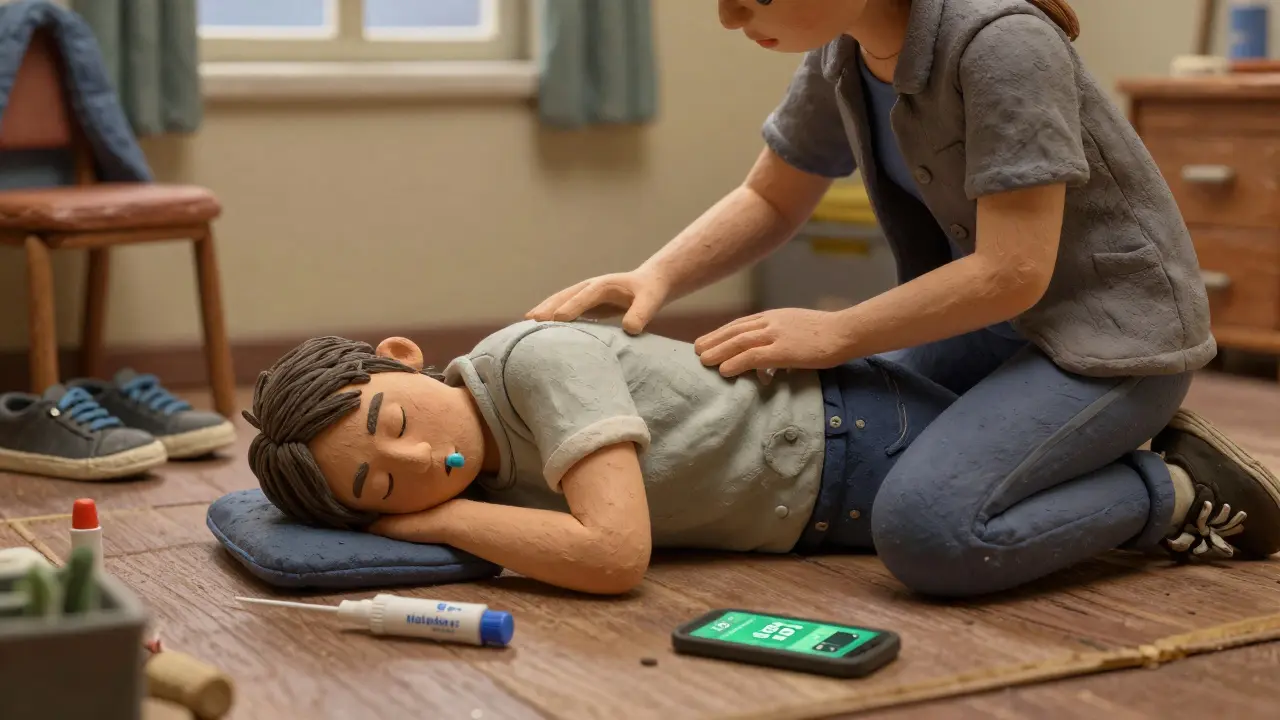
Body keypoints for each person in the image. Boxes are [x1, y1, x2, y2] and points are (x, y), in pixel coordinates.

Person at [525, 0, 1280, 596]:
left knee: (931, 533)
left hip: (1109, 342)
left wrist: (838, 332)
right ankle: (1061, 451)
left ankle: (1178, 486)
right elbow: (772, 195)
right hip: (994, 328)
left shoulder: (1002, 42)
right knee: (843, 437)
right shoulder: (844, 52)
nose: (729, 18)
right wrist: (655, 276)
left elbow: (1015, 271)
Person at [243, 323, 957, 595]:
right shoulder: (483, 487)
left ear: (401, 356)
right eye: (387, 483)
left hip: (860, 434)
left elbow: (614, 557)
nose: (422, 456)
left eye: (393, 419)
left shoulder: (537, 361)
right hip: (829, 526)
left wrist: (437, 522)